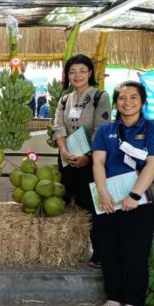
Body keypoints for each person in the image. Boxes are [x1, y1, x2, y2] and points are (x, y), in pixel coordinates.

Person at [92, 81, 154, 306]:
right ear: (116, 103)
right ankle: (114, 296)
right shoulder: (105, 131)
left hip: (139, 202)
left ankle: (134, 301)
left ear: (142, 101)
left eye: (133, 97)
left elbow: (153, 163)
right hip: (108, 200)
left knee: (135, 253)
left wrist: (135, 195)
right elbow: (98, 162)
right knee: (109, 251)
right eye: (122, 98)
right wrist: (102, 192)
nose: (127, 102)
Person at [51, 54, 111, 268]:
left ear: (90, 73)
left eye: (82, 71)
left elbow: (101, 130)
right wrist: (64, 151)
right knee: (67, 202)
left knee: (92, 205)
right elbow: (58, 127)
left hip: (92, 160)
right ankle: (67, 251)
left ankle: (99, 253)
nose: (77, 75)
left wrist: (88, 156)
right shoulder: (65, 99)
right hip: (67, 159)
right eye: (72, 72)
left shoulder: (99, 96)